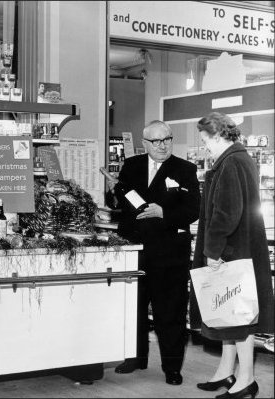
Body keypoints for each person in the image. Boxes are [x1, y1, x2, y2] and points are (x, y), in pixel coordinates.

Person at [106, 120, 200, 385]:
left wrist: (165, 213)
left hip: (170, 253)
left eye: (166, 139)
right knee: (133, 306)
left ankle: (172, 367)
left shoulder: (185, 169)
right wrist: (115, 193)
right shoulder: (132, 165)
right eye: (155, 141)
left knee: (169, 312)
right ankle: (135, 357)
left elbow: (194, 210)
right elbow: (122, 203)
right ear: (144, 144)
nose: (162, 145)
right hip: (135, 249)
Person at [191, 112, 274, 399]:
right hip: (242, 248)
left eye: (205, 141)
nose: (205, 147)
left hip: (231, 251)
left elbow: (226, 213)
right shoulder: (240, 158)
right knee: (229, 315)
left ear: (216, 136)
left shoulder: (230, 162)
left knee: (238, 319)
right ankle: (227, 371)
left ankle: (247, 379)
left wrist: (212, 251)